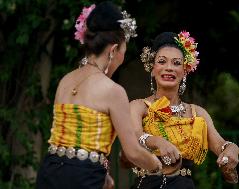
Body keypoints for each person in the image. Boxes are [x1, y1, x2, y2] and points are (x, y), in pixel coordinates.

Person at [35, 2, 162, 189]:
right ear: (112, 51)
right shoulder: (112, 91)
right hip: (83, 179)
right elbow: (133, 152)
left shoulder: (65, 81)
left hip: (50, 172)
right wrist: (158, 166)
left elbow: (78, 141)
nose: (122, 59)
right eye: (123, 53)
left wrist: (102, 173)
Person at [122, 31, 239, 189]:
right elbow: (133, 136)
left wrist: (232, 149)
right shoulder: (139, 107)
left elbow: (221, 145)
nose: (169, 68)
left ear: (185, 70)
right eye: (162, 61)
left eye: (176, 63)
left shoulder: (197, 113)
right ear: (152, 67)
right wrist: (157, 141)